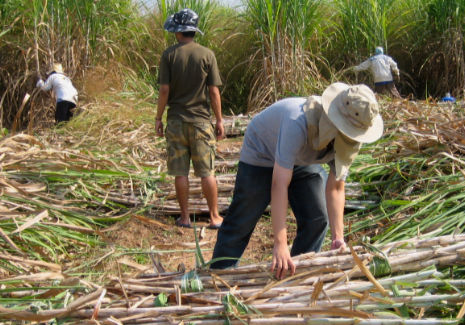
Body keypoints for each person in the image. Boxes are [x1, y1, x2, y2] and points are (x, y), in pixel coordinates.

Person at [211, 82, 383, 279]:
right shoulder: (298, 121)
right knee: (242, 219)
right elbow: (279, 184)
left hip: (300, 159)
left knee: (317, 218)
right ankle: (218, 277)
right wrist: (280, 243)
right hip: (262, 152)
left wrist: (338, 238)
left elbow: (336, 188)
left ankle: (294, 274)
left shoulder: (355, 132)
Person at [155, 8, 225, 229]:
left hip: (176, 122)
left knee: (180, 172)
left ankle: (184, 218)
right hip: (201, 123)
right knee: (207, 172)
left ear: (178, 31)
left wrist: (158, 118)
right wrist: (219, 120)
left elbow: (164, 90)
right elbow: (214, 92)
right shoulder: (207, 55)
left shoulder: (168, 55)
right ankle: (214, 217)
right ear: (194, 30)